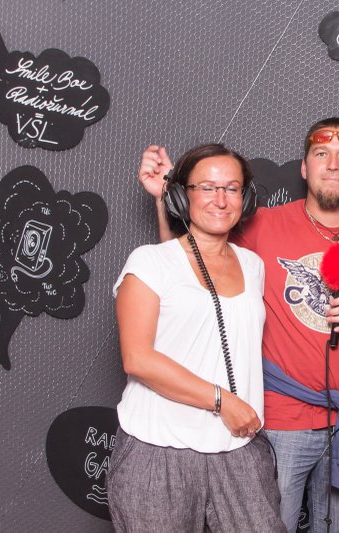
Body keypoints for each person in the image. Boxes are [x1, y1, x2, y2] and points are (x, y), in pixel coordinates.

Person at [136, 118, 339, 533]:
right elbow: (187, 270)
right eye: (321, 154)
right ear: (304, 168)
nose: (333, 165)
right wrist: (166, 200)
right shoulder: (261, 225)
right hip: (277, 423)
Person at [108, 144, 284, 531]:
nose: (220, 200)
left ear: (245, 198)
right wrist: (222, 401)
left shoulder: (252, 265)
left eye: (232, 188)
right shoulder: (148, 262)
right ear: (181, 196)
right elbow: (137, 358)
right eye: (206, 187)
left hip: (238, 448)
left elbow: (192, 296)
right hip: (158, 451)